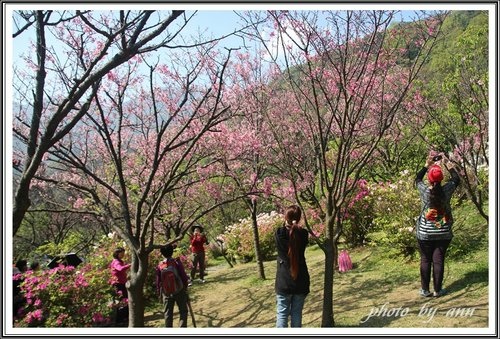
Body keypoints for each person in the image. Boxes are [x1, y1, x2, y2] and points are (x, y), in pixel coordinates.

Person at [415, 153, 460, 298]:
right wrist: (447, 163)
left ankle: (424, 290)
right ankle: (437, 290)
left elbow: (416, 179)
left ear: (429, 178)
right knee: (438, 259)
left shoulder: (424, 191)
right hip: (443, 232)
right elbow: (456, 179)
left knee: (426, 259)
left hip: (425, 233)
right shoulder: (447, 190)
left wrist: (426, 165)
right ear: (441, 178)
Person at [274, 205, 310, 328]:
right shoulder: (304, 234)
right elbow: (297, 232)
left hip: (284, 281)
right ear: (299, 218)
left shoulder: (279, 233)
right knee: (296, 313)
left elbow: (285, 230)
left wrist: (288, 222)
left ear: (286, 217)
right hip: (301, 280)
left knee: (282, 314)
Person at [156, 244, 190, 327]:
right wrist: (185, 286)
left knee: (168, 314)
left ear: (162, 253)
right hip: (179, 290)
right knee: (183, 311)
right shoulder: (176, 262)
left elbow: (158, 281)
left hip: (167, 293)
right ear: (172, 252)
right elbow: (183, 276)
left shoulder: (160, 266)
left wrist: (159, 292)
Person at [109, 247, 131, 325]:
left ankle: (124, 318)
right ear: (117, 254)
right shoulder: (116, 262)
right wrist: (130, 265)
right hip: (118, 284)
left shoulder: (119, 261)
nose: (123, 255)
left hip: (121, 283)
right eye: (122, 253)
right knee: (122, 300)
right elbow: (120, 269)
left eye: (123, 253)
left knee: (124, 300)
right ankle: (120, 320)